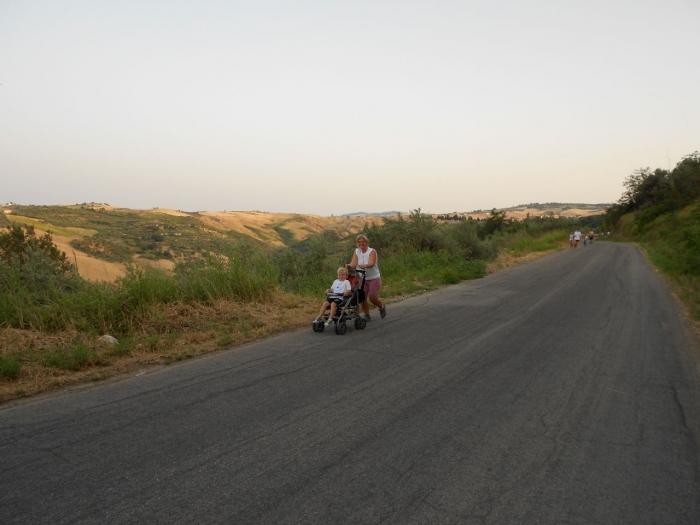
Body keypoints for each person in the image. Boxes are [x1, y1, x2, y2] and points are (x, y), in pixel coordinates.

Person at [347, 234, 386, 320]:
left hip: (373, 278)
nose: (361, 243)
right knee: (362, 298)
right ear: (357, 243)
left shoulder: (372, 251)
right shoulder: (357, 251)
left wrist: (365, 266)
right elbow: (353, 263)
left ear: (366, 242)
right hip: (362, 279)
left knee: (373, 298)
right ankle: (366, 315)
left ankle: (381, 307)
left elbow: (372, 263)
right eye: (359, 242)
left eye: (363, 241)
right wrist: (349, 266)